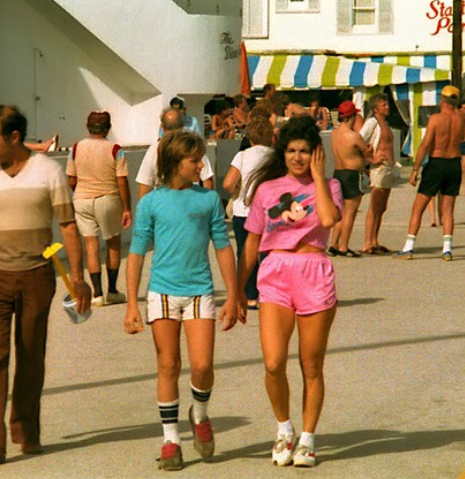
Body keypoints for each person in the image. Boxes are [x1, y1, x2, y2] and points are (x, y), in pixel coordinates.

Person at [0, 105, 91, 465]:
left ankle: (27, 431)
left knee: (30, 355)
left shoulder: (49, 172)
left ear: (15, 137)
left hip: (37, 275)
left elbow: (68, 226)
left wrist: (78, 277)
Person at [124, 131, 240, 471]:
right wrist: (132, 302)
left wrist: (233, 295)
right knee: (168, 365)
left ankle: (200, 415)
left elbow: (222, 246)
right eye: (195, 160)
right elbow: (136, 253)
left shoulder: (207, 201)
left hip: (200, 292)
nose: (201, 165)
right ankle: (171, 440)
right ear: (176, 162)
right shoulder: (150, 203)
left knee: (202, 366)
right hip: (161, 293)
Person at [237, 115, 342, 468]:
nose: (298, 157)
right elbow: (252, 241)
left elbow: (328, 220)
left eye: (305, 151)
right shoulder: (267, 190)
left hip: (314, 273)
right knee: (273, 362)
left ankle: (308, 439)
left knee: (311, 365)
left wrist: (317, 179)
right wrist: (237, 289)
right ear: (283, 153)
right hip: (276, 273)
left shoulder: (329, 185)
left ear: (316, 154)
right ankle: (284, 427)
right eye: (292, 151)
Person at [67, 111, 131, 306]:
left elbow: (71, 179)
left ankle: (97, 294)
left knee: (91, 245)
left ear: (88, 127)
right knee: (113, 243)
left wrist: (79, 192)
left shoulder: (76, 148)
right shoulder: (115, 150)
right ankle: (112, 290)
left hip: (82, 199)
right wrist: (126, 208)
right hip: (108, 198)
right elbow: (122, 182)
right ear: (108, 127)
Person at [397, 85, 465, 260]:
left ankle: (408, 246)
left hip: (437, 161)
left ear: (442, 100)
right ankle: (447, 249)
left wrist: (415, 169)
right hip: (454, 163)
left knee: (418, 207)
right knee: (448, 209)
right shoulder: (461, 119)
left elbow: (426, 144)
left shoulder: (436, 118)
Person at [223, 116, 274, 310]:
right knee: (267, 254)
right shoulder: (275, 156)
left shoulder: (242, 156)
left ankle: (249, 295)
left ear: (249, 137)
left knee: (244, 254)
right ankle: (268, 294)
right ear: (270, 136)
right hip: (269, 213)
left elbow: (228, 183)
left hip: (244, 211)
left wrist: (239, 190)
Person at [328, 100, 375, 257]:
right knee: (350, 212)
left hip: (338, 172)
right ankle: (343, 246)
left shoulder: (334, 133)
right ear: (351, 116)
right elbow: (367, 155)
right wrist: (375, 155)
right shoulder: (354, 136)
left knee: (341, 211)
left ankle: (334, 244)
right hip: (352, 174)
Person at [136, 108, 215, 197]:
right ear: (182, 125)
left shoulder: (154, 149)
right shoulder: (193, 147)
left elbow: (145, 184)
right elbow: (207, 180)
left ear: (162, 126)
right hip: (191, 201)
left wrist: (144, 207)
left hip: (162, 204)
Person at [360, 92, 396, 254]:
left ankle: (374, 239)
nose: (387, 107)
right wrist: (370, 159)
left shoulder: (385, 123)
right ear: (376, 108)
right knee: (375, 204)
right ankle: (367, 242)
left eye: (387, 104)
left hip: (388, 166)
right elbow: (359, 141)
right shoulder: (371, 123)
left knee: (382, 206)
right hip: (379, 166)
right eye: (384, 105)